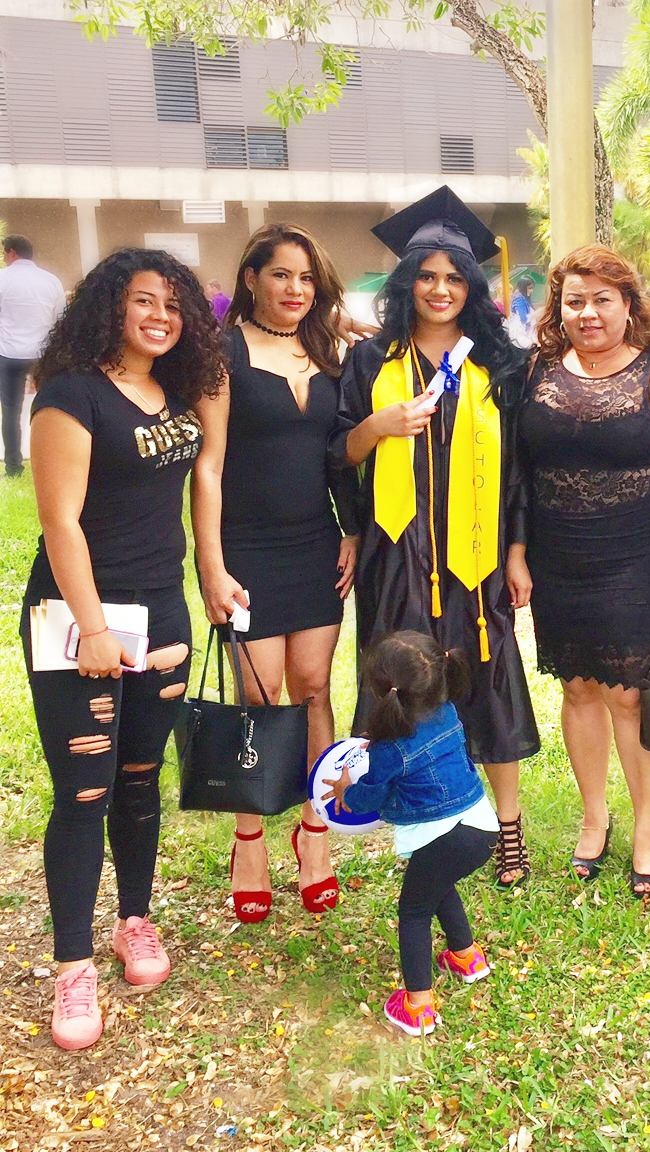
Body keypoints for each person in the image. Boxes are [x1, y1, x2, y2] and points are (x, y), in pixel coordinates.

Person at [20, 248, 223, 1049]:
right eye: (144, 301)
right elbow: (59, 521)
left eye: (174, 305)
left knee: (140, 778)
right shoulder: (70, 396)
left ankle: (133, 920)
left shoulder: (175, 392)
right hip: (76, 619)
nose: (161, 317)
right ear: (110, 306)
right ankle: (73, 966)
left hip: (161, 611)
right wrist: (95, 627)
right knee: (84, 791)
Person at [332, 186, 540, 889]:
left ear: (472, 285)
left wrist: (517, 550)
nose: (441, 289)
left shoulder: (499, 363)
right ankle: (429, 821)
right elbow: (338, 456)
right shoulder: (371, 361)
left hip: (476, 555)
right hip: (398, 548)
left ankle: (507, 828)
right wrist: (377, 426)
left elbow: (518, 470)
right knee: (407, 680)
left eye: (454, 276)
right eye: (427, 275)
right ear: (406, 282)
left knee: (490, 675)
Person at [518, 245, 650, 897]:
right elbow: (517, 469)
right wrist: (516, 552)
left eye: (602, 299)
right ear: (559, 308)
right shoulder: (536, 370)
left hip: (635, 554)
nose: (588, 313)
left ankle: (647, 824)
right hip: (556, 555)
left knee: (629, 693)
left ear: (629, 304)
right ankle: (594, 817)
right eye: (574, 301)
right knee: (577, 688)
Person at [192, 223, 360, 923]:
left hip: (315, 544)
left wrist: (352, 528)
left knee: (315, 688)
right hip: (247, 549)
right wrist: (211, 566)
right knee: (258, 699)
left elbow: (337, 453)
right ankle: (250, 839)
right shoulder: (221, 354)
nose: (296, 289)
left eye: (307, 278)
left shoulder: (328, 352)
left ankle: (315, 832)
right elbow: (207, 467)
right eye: (282, 274)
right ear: (251, 278)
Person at [325, 631, 498, 1037]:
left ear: (380, 691)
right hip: (481, 828)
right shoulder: (448, 712)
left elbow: (370, 797)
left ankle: (418, 1006)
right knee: (437, 884)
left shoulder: (389, 749)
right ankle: (466, 957)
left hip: (443, 837)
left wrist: (346, 790)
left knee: (414, 911)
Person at [0, 234, 66, 477]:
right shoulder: (50, 280)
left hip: (8, 354)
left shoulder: (2, 278)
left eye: (4, 253)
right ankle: (54, 461)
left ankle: (13, 467)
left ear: (12, 252)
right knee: (51, 408)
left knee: (11, 411)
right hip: (43, 355)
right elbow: (61, 319)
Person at [508, 273, 537, 346]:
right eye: (530, 288)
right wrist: (536, 314)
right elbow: (523, 318)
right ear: (523, 287)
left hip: (526, 335)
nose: (532, 291)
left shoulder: (521, 297)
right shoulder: (519, 299)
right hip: (522, 337)